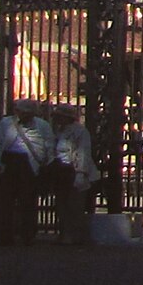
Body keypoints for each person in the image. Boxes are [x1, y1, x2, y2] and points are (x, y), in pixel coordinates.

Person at [0, 99, 52, 245]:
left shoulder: (42, 126)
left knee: (28, 202)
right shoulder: (6, 123)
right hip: (10, 161)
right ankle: (6, 235)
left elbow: (49, 145)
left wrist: (47, 164)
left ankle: (28, 234)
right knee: (6, 202)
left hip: (30, 164)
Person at [47, 105, 99, 245]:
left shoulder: (80, 131)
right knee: (61, 203)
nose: (57, 119)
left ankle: (75, 234)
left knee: (75, 205)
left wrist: (81, 172)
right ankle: (64, 232)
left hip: (73, 170)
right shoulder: (57, 131)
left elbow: (83, 153)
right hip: (60, 169)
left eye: (59, 116)